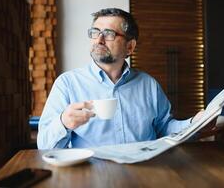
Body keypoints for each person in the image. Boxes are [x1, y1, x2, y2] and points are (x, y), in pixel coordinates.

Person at [37, 8, 203, 149]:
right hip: (92, 176)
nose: (99, 40)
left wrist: (195, 123)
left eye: (108, 34)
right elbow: (44, 146)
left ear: (130, 47)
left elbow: (165, 128)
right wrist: (63, 123)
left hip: (144, 173)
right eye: (95, 32)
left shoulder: (149, 85)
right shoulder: (67, 84)